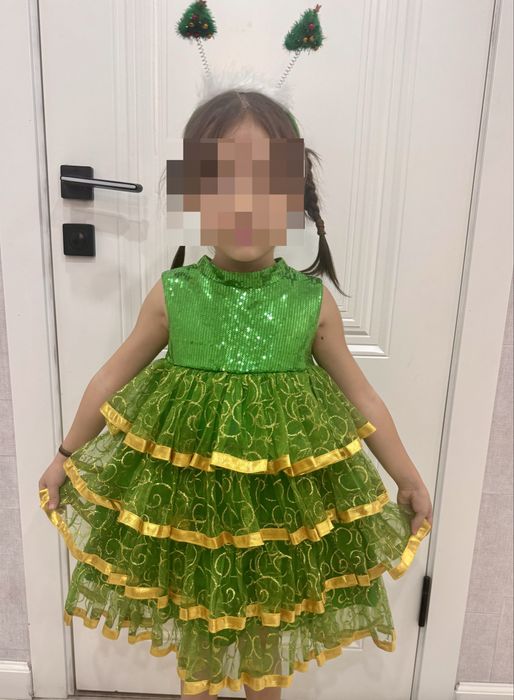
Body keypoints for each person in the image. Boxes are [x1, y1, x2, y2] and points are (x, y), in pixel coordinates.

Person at [38, 89, 433, 699]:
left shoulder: (311, 303)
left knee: (267, 636)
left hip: (279, 515)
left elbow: (364, 400)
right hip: (190, 512)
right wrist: (65, 456)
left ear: (296, 200)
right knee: (197, 626)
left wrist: (406, 477)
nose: (245, 205)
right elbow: (110, 379)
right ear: (193, 197)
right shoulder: (174, 294)